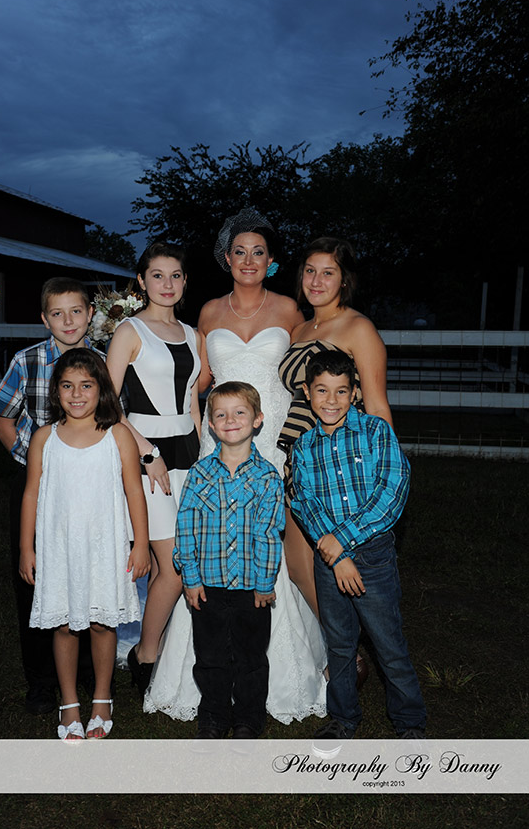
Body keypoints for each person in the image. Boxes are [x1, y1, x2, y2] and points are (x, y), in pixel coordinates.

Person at [145, 207, 327, 725]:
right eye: (240, 251)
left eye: (259, 252)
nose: (249, 260)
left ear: (271, 262)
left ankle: (278, 669)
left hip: (273, 440)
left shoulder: (290, 309)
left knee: (270, 539)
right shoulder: (207, 312)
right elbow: (197, 382)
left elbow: (306, 373)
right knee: (213, 535)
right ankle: (206, 673)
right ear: (226, 259)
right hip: (220, 437)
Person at [291, 350, 426, 740]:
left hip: (373, 557)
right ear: (307, 393)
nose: (331, 400)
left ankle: (410, 723)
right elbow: (304, 502)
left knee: (388, 644)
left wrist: (342, 543)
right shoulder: (304, 448)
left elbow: (392, 490)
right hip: (329, 563)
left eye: (341, 391)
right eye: (322, 390)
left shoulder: (376, 432)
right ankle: (343, 718)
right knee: (339, 645)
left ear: (354, 392)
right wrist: (336, 556)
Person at [19, 349, 149, 740]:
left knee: (101, 622)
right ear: (56, 391)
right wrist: (27, 548)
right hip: (59, 548)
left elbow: (134, 490)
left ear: (101, 389)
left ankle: (102, 698)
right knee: (63, 624)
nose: (77, 394)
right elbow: (31, 494)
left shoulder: (118, 435)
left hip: (104, 546)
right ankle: (69, 703)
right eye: (67, 386)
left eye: (86, 385)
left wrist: (141, 543)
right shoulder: (44, 438)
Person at [0, 277, 101, 715]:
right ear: (44, 318)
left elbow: (115, 420)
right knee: (34, 578)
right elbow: (3, 418)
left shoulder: (104, 360)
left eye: (76, 311)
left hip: (89, 485)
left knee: (86, 571)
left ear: (90, 314)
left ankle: (87, 669)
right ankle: (40, 680)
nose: (68, 321)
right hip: (38, 484)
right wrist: (31, 461)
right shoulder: (27, 360)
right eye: (57, 313)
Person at [279, 237, 392, 649]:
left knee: (340, 556)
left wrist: (380, 469)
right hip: (298, 459)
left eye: (328, 272)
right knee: (298, 565)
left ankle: (351, 649)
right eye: (310, 271)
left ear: (344, 280)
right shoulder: (299, 329)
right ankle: (344, 644)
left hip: (341, 463)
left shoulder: (358, 328)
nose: (316, 280)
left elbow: (376, 405)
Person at [106, 242, 201, 698]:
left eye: (175, 275)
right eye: (157, 275)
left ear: (185, 281)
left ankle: (173, 648)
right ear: (142, 281)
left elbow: (194, 401)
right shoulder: (130, 331)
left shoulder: (194, 334)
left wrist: (208, 454)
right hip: (149, 457)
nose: (167, 284)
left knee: (190, 559)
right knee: (173, 568)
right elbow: (108, 403)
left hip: (191, 453)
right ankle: (145, 655)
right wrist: (146, 452)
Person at [174, 382, 283, 739]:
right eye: (220, 414)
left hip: (252, 588)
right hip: (208, 586)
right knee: (210, 657)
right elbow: (186, 527)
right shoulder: (199, 474)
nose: (230, 420)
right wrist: (190, 577)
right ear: (211, 424)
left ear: (257, 419)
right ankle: (214, 717)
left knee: (251, 658)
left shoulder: (268, 477)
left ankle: (249, 719)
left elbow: (269, 533)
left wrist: (265, 584)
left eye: (239, 412)